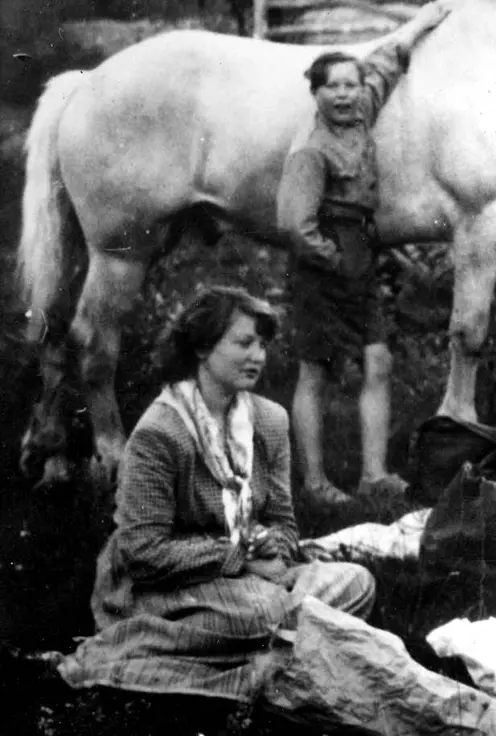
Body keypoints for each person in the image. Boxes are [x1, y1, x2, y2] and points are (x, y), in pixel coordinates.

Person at [58, 286, 375, 701]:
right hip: (166, 590)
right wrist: (238, 559)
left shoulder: (271, 421)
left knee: (358, 582)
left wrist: (275, 556)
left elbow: (282, 521)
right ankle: (268, 659)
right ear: (204, 347)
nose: (258, 356)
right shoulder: (160, 433)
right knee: (262, 613)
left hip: (257, 581)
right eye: (244, 343)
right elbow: (143, 552)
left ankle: (260, 657)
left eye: (262, 345)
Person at [277, 1, 450, 505]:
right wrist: (333, 259)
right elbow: (293, 224)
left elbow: (388, 60)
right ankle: (314, 484)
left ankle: (373, 475)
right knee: (317, 371)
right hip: (323, 260)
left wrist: (432, 15)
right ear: (316, 93)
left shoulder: (362, 113)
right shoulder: (310, 150)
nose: (346, 94)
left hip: (361, 253)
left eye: (351, 85)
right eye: (333, 87)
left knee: (377, 360)